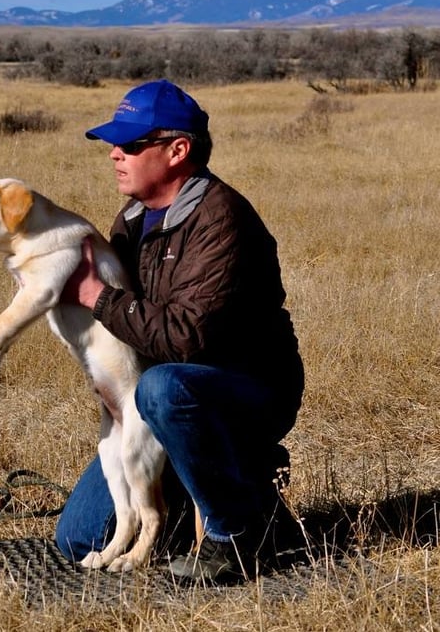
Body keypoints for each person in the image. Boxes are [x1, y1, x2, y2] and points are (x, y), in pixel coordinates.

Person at [54, 79, 304, 583]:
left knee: (164, 386)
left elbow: (186, 337)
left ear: (177, 151)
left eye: (130, 144)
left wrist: (96, 296)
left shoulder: (222, 219)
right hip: (162, 400)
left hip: (243, 389)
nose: (115, 154)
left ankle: (236, 534)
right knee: (82, 539)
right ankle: (227, 492)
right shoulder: (132, 219)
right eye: (113, 144)